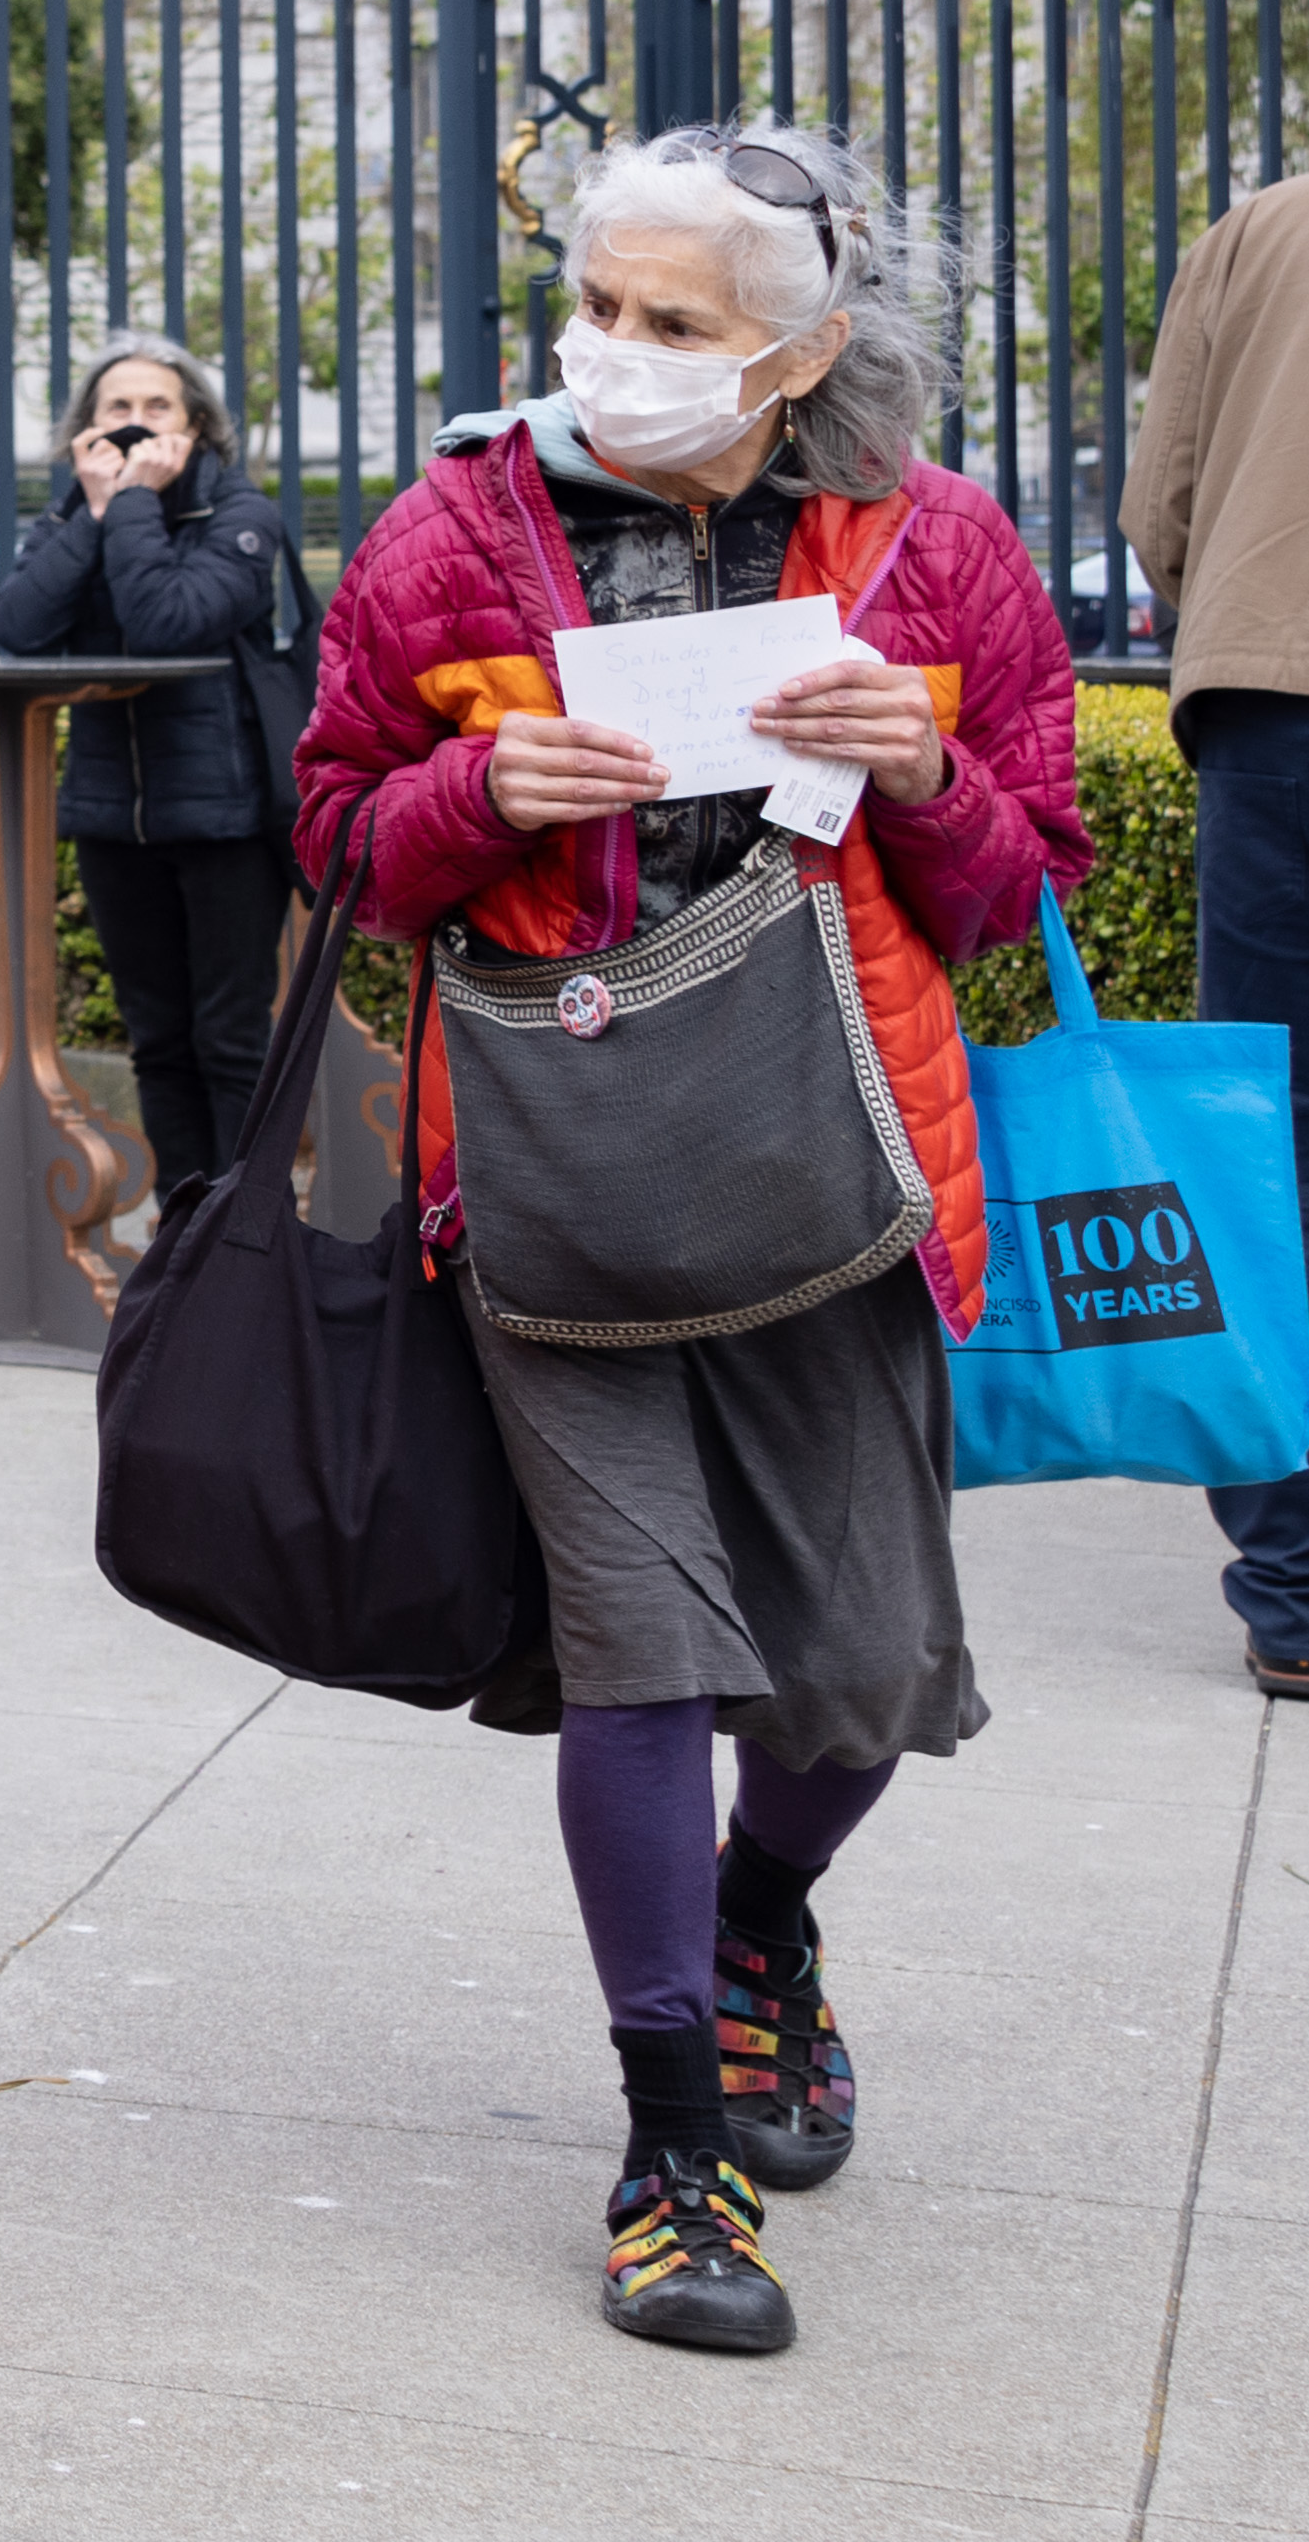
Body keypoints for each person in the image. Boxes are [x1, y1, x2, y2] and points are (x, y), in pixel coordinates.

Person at [291, 121, 1072, 2361]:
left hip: (839, 1178)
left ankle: (760, 1917)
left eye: (670, 323)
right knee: (643, 1652)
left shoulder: (936, 551)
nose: (606, 355)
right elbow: (337, 832)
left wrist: (920, 781)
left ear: (803, 347)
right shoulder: (457, 534)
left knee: (846, 1681)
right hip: (555, 1178)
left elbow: (1028, 876)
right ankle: (666, 2148)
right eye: (594, 305)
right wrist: (474, 798)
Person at [1120, 171, 1309, 1697]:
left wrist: (1237, 619)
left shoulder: (1260, 227)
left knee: (1270, 1131)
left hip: (1276, 703)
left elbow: (1159, 499)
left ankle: (1296, 1587)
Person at [0, 343, 314, 1220]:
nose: (133, 422)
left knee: (230, 1040)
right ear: (83, 431)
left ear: (196, 425)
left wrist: (128, 504)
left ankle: (250, 1237)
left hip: (224, 821)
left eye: (156, 407)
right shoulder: (77, 510)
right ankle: (182, 1232)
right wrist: (97, 514)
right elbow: (16, 626)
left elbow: (165, 623)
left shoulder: (236, 511)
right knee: (158, 1042)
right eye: (113, 406)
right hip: (112, 821)